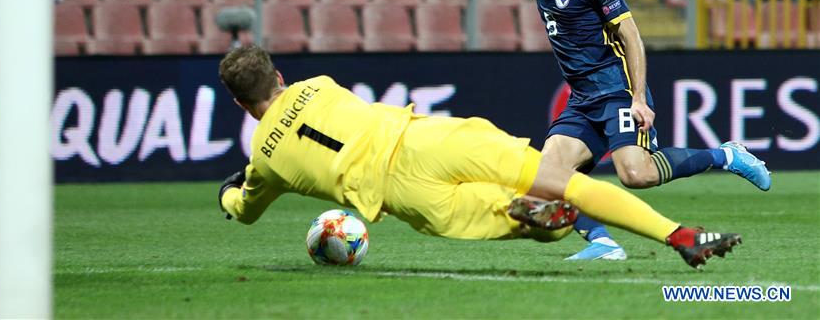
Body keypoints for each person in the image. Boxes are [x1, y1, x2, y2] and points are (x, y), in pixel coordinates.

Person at [217, 44, 741, 269]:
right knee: (565, 182)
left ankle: (532, 216)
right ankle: (679, 235)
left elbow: (246, 209)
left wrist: (232, 191)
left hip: (400, 190)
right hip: (432, 137)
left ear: (242, 104)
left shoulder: (264, 160)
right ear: (280, 77)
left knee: (553, 226)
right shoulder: (318, 84)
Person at [512, 0, 769, 261]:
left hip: (617, 90)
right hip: (583, 99)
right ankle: (603, 244)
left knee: (636, 174)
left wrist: (636, 98)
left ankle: (726, 156)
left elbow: (631, 36)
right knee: (544, 178)